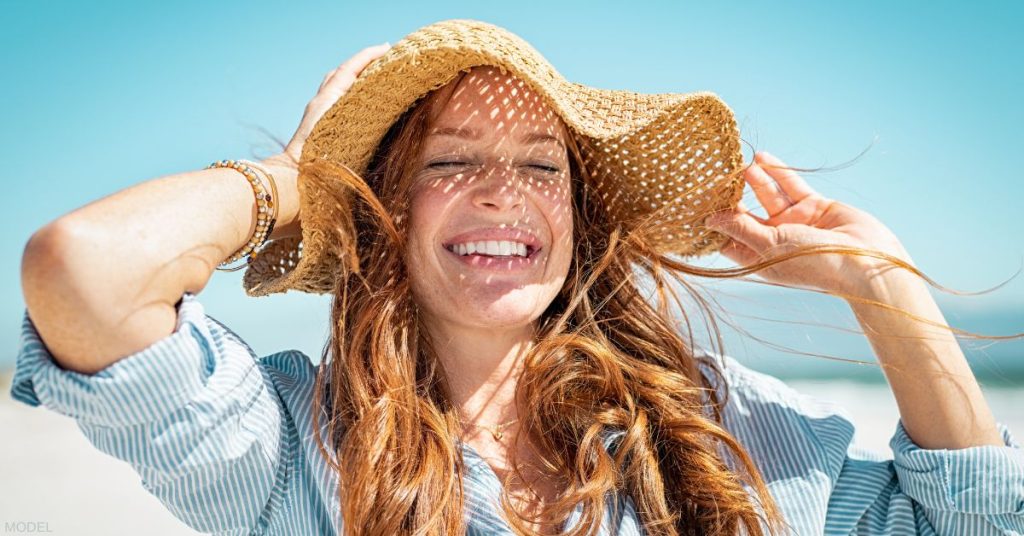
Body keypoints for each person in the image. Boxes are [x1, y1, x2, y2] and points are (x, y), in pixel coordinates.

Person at [12, 19, 1023, 536]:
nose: (502, 192)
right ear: (386, 211)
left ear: (574, 222)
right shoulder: (288, 443)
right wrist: (295, 177)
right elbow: (85, 272)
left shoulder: (716, 424)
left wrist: (881, 287)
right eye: (449, 163)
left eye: (543, 166)